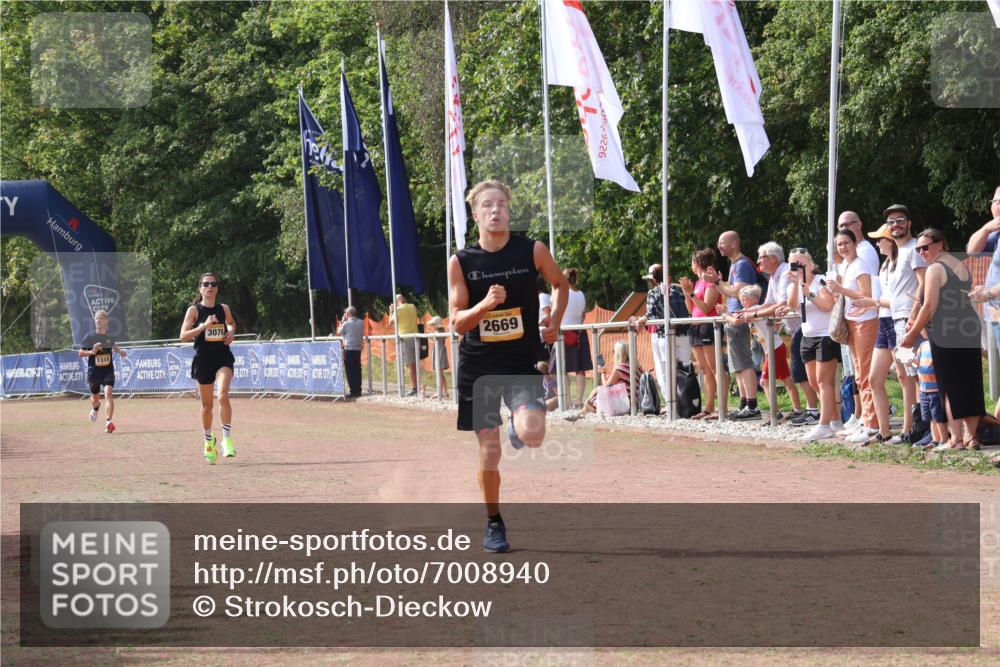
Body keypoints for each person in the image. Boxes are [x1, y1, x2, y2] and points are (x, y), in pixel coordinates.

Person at [448, 179, 567, 553]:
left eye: (501, 204)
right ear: (475, 214)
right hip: (479, 367)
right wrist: (484, 305)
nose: (495, 210)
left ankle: (519, 428)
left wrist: (556, 320)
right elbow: (456, 322)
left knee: (533, 435)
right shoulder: (462, 261)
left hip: (521, 359)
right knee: (489, 453)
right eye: (487, 205)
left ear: (509, 210)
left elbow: (561, 284)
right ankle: (494, 522)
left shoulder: (531, 250)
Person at [900, 228, 984, 450]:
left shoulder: (935, 268)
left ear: (940, 244)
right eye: (918, 249)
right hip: (968, 326)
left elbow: (929, 306)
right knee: (970, 382)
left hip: (946, 331)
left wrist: (911, 333)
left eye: (925, 247)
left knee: (949, 385)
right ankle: (971, 436)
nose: (922, 252)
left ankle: (956, 439)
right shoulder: (960, 265)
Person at [827, 229, 882, 445]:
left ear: (854, 244)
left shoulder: (860, 264)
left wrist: (841, 289)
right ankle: (866, 419)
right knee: (859, 373)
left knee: (865, 373)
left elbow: (866, 294)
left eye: (845, 243)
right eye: (839, 244)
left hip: (865, 322)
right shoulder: (846, 265)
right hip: (852, 321)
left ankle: (872, 424)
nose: (842, 247)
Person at [849, 224, 899, 446]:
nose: (877, 243)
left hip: (896, 321)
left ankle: (909, 428)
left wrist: (874, 302)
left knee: (907, 378)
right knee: (874, 378)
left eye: (881, 239)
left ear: (891, 240)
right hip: (884, 320)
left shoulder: (899, 263)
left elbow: (900, 299)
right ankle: (884, 431)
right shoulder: (886, 265)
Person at [180, 272, 237, 463]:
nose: (210, 287)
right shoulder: (194, 311)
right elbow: (183, 336)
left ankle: (226, 439)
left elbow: (230, 323)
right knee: (207, 406)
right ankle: (208, 440)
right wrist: (204, 326)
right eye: (206, 284)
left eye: (213, 284)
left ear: (217, 288)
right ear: (200, 288)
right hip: (203, 359)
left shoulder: (224, 308)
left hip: (222, 357)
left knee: (222, 395)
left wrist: (230, 333)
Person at [786, 249, 842, 441]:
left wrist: (809, 292)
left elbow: (828, 306)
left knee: (823, 382)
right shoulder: (795, 285)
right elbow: (792, 304)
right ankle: (834, 420)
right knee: (813, 383)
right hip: (807, 335)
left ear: (810, 264)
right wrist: (796, 284)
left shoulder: (821, 281)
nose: (797, 268)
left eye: (800, 264)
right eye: (793, 265)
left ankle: (824, 425)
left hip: (825, 336)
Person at [752, 241, 811, 422]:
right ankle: (805, 409)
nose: (758, 262)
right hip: (793, 330)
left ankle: (810, 410)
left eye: (761, 258)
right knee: (796, 374)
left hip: (804, 326)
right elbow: (769, 303)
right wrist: (749, 311)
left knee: (802, 373)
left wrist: (753, 313)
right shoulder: (773, 277)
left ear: (773, 258)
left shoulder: (785, 272)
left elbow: (783, 303)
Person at [728, 284, 802, 420]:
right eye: (741, 300)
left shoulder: (755, 310)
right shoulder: (750, 310)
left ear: (754, 300)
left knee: (764, 382)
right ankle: (797, 409)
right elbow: (738, 315)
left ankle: (776, 413)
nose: (742, 303)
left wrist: (724, 315)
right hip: (773, 348)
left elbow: (736, 320)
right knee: (787, 380)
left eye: (744, 299)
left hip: (775, 348)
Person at [713, 230, 760, 419]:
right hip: (732, 318)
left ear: (734, 243)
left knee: (743, 362)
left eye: (722, 242)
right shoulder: (734, 265)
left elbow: (736, 292)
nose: (719, 246)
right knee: (737, 365)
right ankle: (744, 403)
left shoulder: (741, 264)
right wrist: (717, 283)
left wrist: (717, 282)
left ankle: (752, 405)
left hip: (739, 319)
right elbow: (730, 290)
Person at [965, 184, 1000, 418]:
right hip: (995, 315)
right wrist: (987, 228)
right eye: (995, 201)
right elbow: (972, 250)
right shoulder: (995, 233)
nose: (996, 206)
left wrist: (987, 293)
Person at [633, 263, 691, 390]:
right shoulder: (679, 290)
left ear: (654, 279)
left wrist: (641, 320)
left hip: (664, 335)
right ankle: (687, 401)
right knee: (685, 369)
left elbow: (650, 314)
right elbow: (688, 309)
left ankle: (671, 402)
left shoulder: (653, 293)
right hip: (683, 333)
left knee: (665, 371)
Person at [680, 248, 722, 419]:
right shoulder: (697, 283)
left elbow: (707, 307)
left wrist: (690, 293)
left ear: (696, 263)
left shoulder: (710, 282)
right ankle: (708, 406)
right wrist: (686, 292)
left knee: (714, 367)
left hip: (708, 326)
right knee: (705, 369)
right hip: (696, 326)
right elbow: (692, 309)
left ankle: (720, 406)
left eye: (692, 262)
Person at [567, 341, 642, 420]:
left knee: (596, 393)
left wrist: (603, 372)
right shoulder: (638, 367)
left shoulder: (620, 368)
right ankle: (582, 412)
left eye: (613, 351)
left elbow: (606, 386)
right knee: (596, 392)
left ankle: (582, 412)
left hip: (624, 405)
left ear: (618, 353)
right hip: (635, 404)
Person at [79, 309, 127, 433]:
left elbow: (113, 346)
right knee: (95, 398)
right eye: (96, 319)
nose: (98, 321)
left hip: (107, 370)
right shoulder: (90, 337)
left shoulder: (109, 336)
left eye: (101, 318)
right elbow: (81, 352)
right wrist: (92, 351)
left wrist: (120, 351)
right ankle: (95, 409)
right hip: (94, 372)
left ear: (106, 320)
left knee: (108, 393)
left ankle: (108, 421)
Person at [551, 268, 592, 408]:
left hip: (564, 332)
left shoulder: (561, 293)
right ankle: (579, 400)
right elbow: (583, 315)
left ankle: (567, 399)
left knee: (560, 369)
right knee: (580, 368)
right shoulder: (582, 294)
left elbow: (554, 312)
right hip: (579, 332)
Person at [909, 333, 948, 450]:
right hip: (924, 389)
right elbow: (916, 363)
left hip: (936, 389)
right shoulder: (922, 345)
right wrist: (910, 360)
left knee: (938, 417)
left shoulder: (940, 345)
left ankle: (944, 439)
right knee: (931, 417)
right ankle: (935, 439)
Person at [389, 294, 420, 396]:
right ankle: (418, 386)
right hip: (416, 338)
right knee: (415, 364)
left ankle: (415, 388)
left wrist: (392, 310)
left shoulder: (398, 310)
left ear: (397, 302)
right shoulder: (412, 306)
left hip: (405, 339)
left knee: (409, 365)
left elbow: (390, 323)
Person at [337, 306, 364, 398]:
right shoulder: (361, 322)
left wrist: (342, 321)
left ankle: (353, 391)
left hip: (348, 348)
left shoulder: (346, 323)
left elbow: (339, 331)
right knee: (357, 370)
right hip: (358, 348)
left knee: (350, 370)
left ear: (347, 314)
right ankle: (358, 390)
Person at [426, 315, 450, 398]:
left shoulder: (438, 333)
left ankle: (440, 391)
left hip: (439, 354)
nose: (431, 326)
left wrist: (428, 335)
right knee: (440, 373)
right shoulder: (441, 332)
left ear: (436, 325)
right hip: (439, 353)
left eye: (433, 324)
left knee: (439, 373)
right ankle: (444, 391)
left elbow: (434, 338)